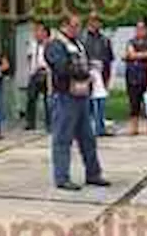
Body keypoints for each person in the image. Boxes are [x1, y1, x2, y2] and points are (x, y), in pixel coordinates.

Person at [45, 13, 109, 191]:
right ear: (65, 25)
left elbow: (81, 63)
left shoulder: (78, 44)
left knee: (88, 138)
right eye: (75, 25)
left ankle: (93, 173)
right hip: (65, 97)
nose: (78, 28)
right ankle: (62, 178)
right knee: (63, 138)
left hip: (82, 96)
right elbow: (61, 67)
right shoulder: (55, 45)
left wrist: (88, 70)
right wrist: (85, 72)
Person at [124, 18, 147, 136]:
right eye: (137, 28)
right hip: (132, 75)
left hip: (146, 74)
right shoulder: (131, 42)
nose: (139, 30)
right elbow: (131, 54)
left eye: (142, 28)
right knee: (134, 101)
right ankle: (134, 127)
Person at [83, 13, 115, 137]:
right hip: (87, 73)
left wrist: (108, 77)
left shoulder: (105, 40)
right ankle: (88, 128)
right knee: (88, 103)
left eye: (98, 21)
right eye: (93, 21)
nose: (95, 23)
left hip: (101, 74)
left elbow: (109, 59)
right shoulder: (83, 38)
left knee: (100, 102)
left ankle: (100, 127)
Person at [24, 24, 51, 132]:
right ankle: (30, 123)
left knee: (47, 100)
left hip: (46, 72)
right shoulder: (33, 44)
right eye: (35, 31)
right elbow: (29, 58)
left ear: (45, 33)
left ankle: (49, 123)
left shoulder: (50, 44)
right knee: (31, 98)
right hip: (35, 73)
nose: (36, 34)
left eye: (39, 31)